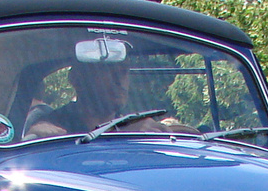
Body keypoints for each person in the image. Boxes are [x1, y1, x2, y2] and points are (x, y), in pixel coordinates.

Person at [25, 59, 165, 139]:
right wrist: (34, 135)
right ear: (76, 78)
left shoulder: (135, 125)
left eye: (124, 71)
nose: (119, 80)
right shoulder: (54, 124)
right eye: (107, 69)